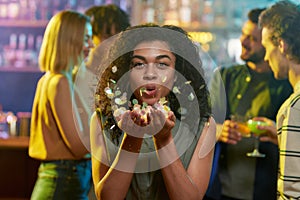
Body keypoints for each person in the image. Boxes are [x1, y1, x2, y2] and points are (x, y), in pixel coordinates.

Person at [88, 23, 216, 199]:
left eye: (162, 64)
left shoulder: (203, 125)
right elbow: (107, 197)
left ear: (178, 73)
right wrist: (132, 137)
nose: (150, 74)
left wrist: (164, 140)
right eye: (139, 64)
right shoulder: (103, 120)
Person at [205, 8, 293, 200]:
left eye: (252, 39)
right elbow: (202, 125)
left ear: (270, 44)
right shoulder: (225, 76)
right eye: (244, 34)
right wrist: (220, 130)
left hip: (268, 190)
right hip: (223, 190)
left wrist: (277, 133)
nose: (243, 42)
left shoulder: (286, 84)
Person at [29, 10, 94, 199]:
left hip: (62, 178)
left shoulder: (53, 79)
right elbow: (78, 146)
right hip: (64, 180)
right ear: (70, 41)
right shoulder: (60, 82)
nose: (92, 45)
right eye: (86, 39)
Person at [256, 1, 300, 198]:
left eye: (267, 47)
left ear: (282, 45)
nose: (266, 57)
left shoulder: (294, 106)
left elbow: (292, 192)